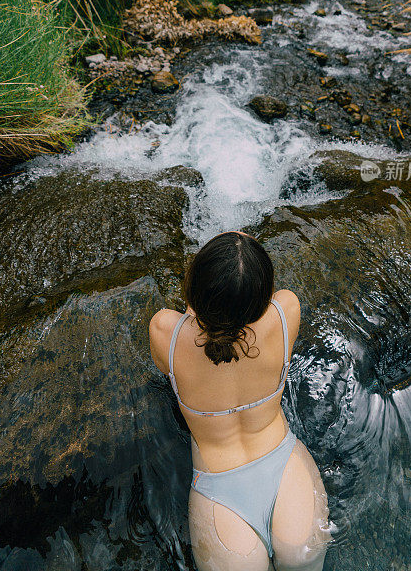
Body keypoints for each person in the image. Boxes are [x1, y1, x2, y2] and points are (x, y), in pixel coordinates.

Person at [149, 231, 331, 571]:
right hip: (287, 472)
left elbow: (174, 358)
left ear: (194, 291)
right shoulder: (285, 311)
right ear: (261, 298)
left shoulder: (166, 333)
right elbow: (246, 250)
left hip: (220, 495)